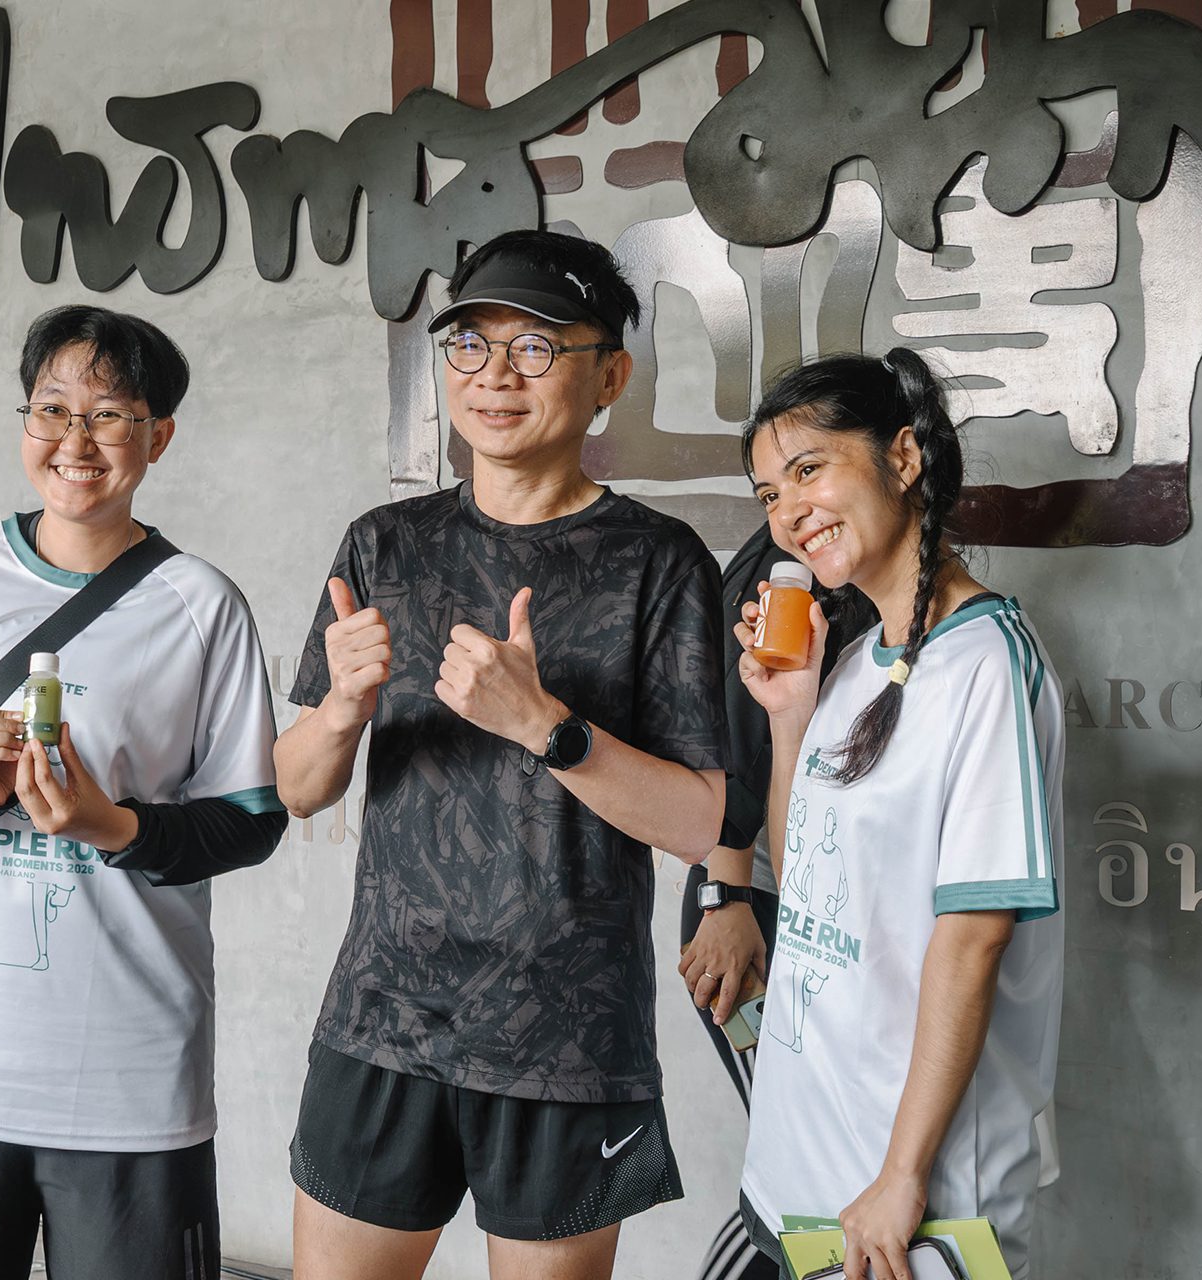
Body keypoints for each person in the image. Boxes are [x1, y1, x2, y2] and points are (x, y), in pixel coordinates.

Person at [273, 228, 730, 1280]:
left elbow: (703, 821)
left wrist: (546, 728)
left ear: (609, 375)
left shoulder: (658, 562)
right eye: (472, 345)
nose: (494, 376)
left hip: (566, 1038)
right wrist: (341, 708)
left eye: (536, 348)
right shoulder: (384, 544)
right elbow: (296, 789)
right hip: (384, 1017)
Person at [0, 305, 286, 1280]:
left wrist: (109, 824)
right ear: (26, 420)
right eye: (51, 409)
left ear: (158, 435)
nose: (76, 440)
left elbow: (249, 821)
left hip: (127, 1079)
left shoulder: (201, 605)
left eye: (109, 414)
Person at [731, 351, 1066, 1280]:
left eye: (809, 469)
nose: (789, 512)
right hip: (802, 1167)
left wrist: (901, 1176)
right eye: (769, 495)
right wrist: (791, 720)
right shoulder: (851, 662)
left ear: (905, 457)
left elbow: (973, 941)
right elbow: (808, 881)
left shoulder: (987, 663)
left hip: (906, 1201)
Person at [676, 525, 875, 1280]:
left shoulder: (867, 571)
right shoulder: (785, 570)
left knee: (833, 1159)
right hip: (752, 912)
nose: (795, 503)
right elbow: (728, 739)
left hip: (825, 912)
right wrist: (725, 897)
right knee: (802, 1164)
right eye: (773, 487)